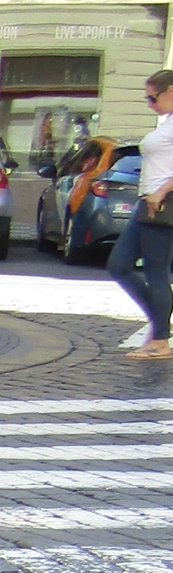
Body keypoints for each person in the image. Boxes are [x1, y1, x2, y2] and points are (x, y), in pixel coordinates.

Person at [115, 69, 173, 360]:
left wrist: (161, 192)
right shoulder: (167, 123)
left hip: (162, 203)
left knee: (156, 270)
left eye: (153, 97)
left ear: (171, 91)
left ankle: (160, 341)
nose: (150, 104)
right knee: (119, 265)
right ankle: (161, 325)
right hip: (147, 201)